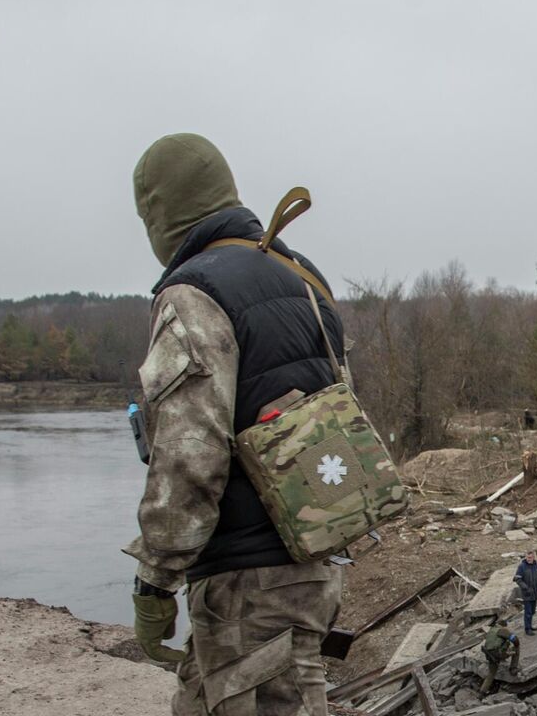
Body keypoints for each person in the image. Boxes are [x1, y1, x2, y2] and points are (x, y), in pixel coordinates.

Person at [122, 133, 346, 716]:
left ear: (162, 214)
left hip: (247, 586)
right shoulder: (301, 274)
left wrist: (155, 578)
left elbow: (188, 453)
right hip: (312, 561)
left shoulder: (196, 289)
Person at [479, 618, 521, 694]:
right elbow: (515, 640)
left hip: (489, 655)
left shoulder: (491, 630)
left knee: (491, 674)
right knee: (516, 648)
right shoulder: (502, 630)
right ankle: (513, 669)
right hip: (498, 654)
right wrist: (515, 644)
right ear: (503, 626)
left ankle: (481, 693)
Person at [513, 551, 537, 635]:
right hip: (527, 593)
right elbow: (517, 579)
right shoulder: (522, 566)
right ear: (526, 557)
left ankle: (530, 626)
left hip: (535, 593)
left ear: (533, 557)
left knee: (533, 611)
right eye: (527, 557)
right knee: (528, 612)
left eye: (530, 557)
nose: (529, 559)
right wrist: (525, 587)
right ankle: (527, 629)